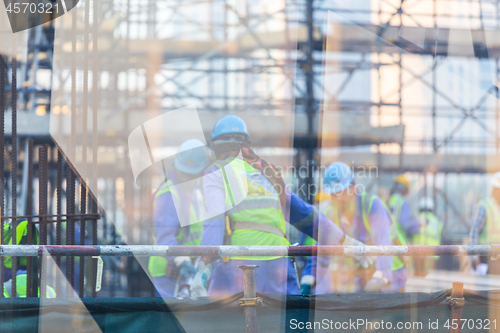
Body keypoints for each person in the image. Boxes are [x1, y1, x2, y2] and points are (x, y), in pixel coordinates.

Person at [194, 115, 371, 296]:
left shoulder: (216, 171)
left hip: (243, 260)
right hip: (279, 259)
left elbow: (214, 222)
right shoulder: (266, 171)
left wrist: (203, 264)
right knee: (288, 319)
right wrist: (344, 241)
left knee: (228, 317)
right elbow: (304, 214)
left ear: (215, 146)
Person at [317, 162, 407, 293]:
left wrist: (380, 276)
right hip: (363, 275)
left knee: (385, 308)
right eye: (334, 194)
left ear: (353, 187)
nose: (338, 198)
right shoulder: (332, 214)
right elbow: (322, 258)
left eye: (341, 192)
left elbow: (384, 245)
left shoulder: (372, 206)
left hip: (392, 272)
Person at [148, 139, 210, 297]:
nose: (184, 178)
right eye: (182, 172)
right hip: (172, 271)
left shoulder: (192, 193)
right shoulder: (170, 194)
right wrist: (182, 262)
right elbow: (165, 236)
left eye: (190, 174)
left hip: (186, 270)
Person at [469, 172, 500, 275]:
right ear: (497, 190)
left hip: (497, 259)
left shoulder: (497, 208)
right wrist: (474, 256)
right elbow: (474, 232)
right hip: (484, 259)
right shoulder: (483, 206)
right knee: (483, 289)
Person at [412, 196, 443, 276]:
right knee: (429, 279)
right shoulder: (436, 221)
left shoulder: (418, 218)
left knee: (418, 279)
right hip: (432, 254)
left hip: (418, 254)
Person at [388, 175, 420, 240]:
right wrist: (418, 224)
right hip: (398, 241)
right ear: (405, 190)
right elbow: (405, 224)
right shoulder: (403, 202)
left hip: (386, 240)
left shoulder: (388, 200)